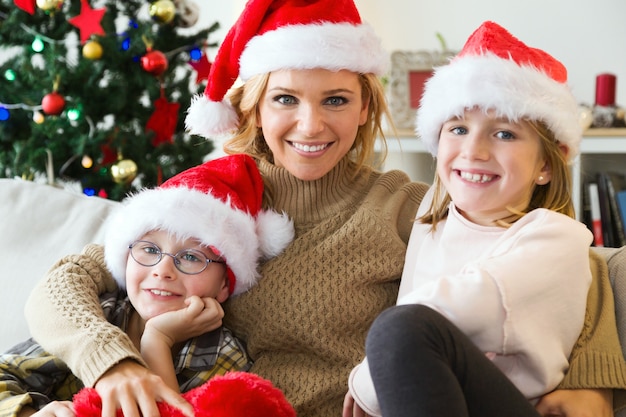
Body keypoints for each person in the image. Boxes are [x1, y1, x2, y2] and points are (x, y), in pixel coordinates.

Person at [23, 1, 626, 417]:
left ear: (365, 107)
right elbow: (64, 283)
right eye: (285, 99)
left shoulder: (409, 208)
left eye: (335, 100)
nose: (310, 125)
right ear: (255, 107)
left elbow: (572, 261)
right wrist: (111, 363)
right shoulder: (209, 199)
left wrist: (594, 384)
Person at [345, 20, 616, 417]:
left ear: (546, 164)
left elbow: (460, 306)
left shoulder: (555, 238)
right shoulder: (429, 222)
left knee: (400, 327)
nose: (473, 151)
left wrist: (368, 379)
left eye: (504, 134)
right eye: (457, 128)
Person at [2, 154, 294, 417]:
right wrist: (28, 412)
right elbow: (7, 373)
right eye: (150, 250)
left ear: (224, 286)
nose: (163, 270)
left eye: (192, 257)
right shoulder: (101, 311)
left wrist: (158, 340)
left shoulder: (223, 355)